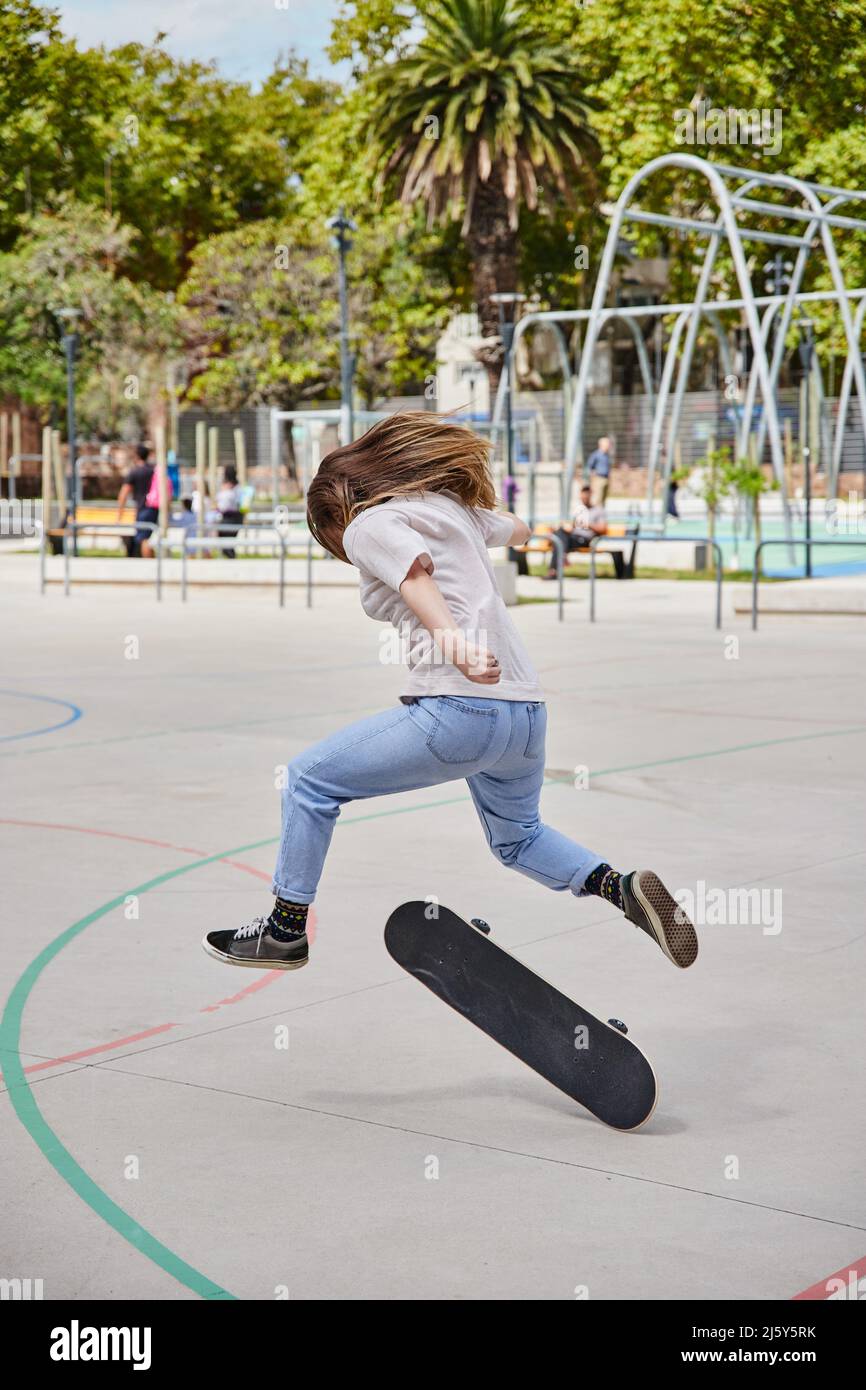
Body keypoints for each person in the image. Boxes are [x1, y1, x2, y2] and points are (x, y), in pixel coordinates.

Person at [202, 413, 697, 974]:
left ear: (338, 510)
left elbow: (414, 576)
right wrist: (473, 513)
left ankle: (284, 932)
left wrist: (454, 643)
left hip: (460, 708)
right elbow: (518, 529)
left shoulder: (368, 524)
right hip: (524, 715)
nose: (343, 550)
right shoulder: (447, 511)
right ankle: (619, 887)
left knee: (307, 781)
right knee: (518, 840)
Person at [543, 483, 627, 578]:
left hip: (585, 539)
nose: (584, 497)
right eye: (583, 495)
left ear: (590, 495)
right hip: (571, 538)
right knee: (559, 534)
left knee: (559, 540)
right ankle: (560, 560)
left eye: (586, 495)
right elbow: (573, 527)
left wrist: (587, 524)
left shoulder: (598, 510)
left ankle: (554, 569)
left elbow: (603, 528)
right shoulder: (579, 510)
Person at [116, 443, 155, 557]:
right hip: (155, 508)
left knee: (143, 539)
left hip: (143, 508)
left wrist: (120, 513)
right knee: (147, 537)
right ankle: (154, 562)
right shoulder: (153, 471)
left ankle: (151, 565)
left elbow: (123, 493)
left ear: (137, 456)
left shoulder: (134, 472)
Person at [216, 464, 244, 559]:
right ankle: (231, 560)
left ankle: (231, 560)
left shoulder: (233, 488)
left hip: (230, 517)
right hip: (232, 516)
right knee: (227, 543)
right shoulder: (237, 487)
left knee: (227, 544)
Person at [586, 436, 613, 507]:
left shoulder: (607, 455)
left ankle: (601, 512)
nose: (609, 446)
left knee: (603, 499)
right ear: (601, 445)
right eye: (607, 444)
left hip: (606, 478)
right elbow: (589, 466)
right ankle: (594, 512)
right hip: (598, 478)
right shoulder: (596, 455)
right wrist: (592, 476)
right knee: (597, 498)